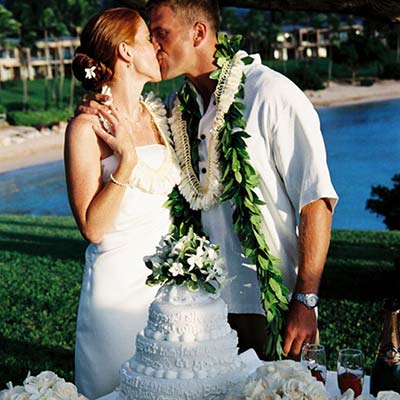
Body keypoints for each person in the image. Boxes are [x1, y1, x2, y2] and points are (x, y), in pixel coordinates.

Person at [80, 0, 338, 360]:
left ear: (198, 32)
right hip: (204, 311)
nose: (154, 46)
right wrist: (97, 101)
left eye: (161, 34)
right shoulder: (177, 107)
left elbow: (317, 201)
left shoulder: (270, 94)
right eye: (150, 36)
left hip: (273, 303)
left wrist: (305, 299)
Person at [64, 7, 180, 398]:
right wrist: (127, 160)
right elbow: (92, 228)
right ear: (126, 52)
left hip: (168, 293)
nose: (157, 45)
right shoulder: (87, 128)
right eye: (148, 38)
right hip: (116, 297)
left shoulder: (158, 114)